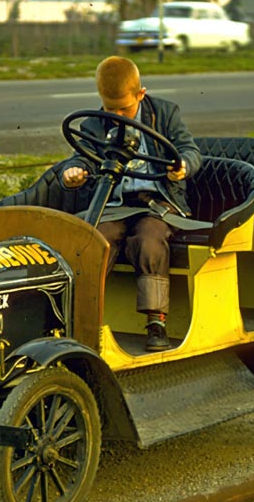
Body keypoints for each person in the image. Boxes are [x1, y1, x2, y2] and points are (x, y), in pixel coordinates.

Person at [60, 56, 202, 351]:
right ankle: (80, 321)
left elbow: (189, 150)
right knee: (92, 238)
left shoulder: (164, 114)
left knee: (148, 240)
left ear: (141, 93)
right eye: (110, 109)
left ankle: (156, 323)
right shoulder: (94, 125)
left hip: (159, 203)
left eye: (125, 108)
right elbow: (81, 157)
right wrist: (72, 172)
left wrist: (182, 166)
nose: (117, 115)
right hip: (116, 203)